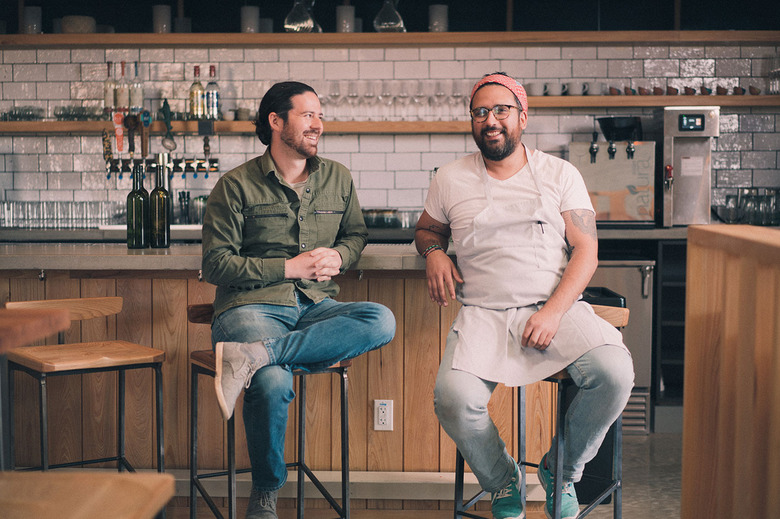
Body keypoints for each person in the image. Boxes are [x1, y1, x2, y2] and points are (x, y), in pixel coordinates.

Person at [415, 72, 634, 519]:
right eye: (480, 112)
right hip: (484, 313)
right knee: (453, 399)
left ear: (523, 117)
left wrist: (552, 313)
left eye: (501, 110)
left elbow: (586, 251)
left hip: (555, 309)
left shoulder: (560, 173)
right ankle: (502, 480)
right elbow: (426, 230)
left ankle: (561, 470)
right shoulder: (450, 178)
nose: (490, 120)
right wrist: (434, 252)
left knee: (614, 374)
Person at [201, 81, 396, 519]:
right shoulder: (235, 186)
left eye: (320, 116)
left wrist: (340, 256)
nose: (318, 124)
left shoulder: (337, 178)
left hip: (316, 307)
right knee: (272, 382)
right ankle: (265, 492)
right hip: (250, 306)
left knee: (381, 319)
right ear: (276, 121)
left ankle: (256, 355)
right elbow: (215, 265)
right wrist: (288, 268)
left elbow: (355, 235)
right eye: (308, 115)